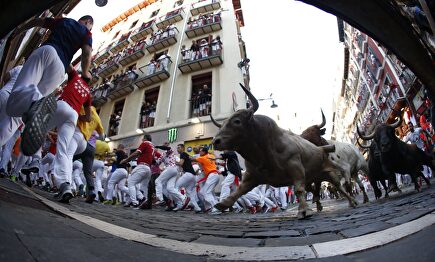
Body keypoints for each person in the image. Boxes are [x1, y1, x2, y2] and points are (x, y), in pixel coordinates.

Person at [6, 15, 94, 156]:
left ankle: (35, 101)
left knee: (14, 100)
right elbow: (87, 52)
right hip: (59, 69)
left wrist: (19, 29)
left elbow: (38, 21)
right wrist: (85, 72)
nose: (90, 28)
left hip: (48, 51)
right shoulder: (87, 33)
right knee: (16, 115)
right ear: (88, 22)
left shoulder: (65, 21)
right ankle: (37, 103)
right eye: (91, 26)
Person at [121, 133, 161, 208]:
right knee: (143, 187)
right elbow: (154, 161)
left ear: (145, 138)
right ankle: (145, 201)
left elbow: (137, 152)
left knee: (131, 183)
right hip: (148, 169)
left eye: (143, 138)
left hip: (142, 166)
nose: (142, 140)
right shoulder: (152, 147)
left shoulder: (145, 143)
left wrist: (126, 160)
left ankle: (135, 202)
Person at [192, 147, 220, 214]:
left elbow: (192, 159)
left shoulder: (202, 158)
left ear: (204, 152)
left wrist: (185, 156)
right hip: (215, 175)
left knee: (206, 193)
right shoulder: (211, 156)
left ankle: (216, 208)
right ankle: (216, 206)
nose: (200, 152)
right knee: (203, 191)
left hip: (212, 175)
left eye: (201, 151)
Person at [0, 65, 23, 147]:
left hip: (4, 93)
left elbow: (6, 77)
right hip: (11, 103)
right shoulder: (36, 80)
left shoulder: (20, 67)